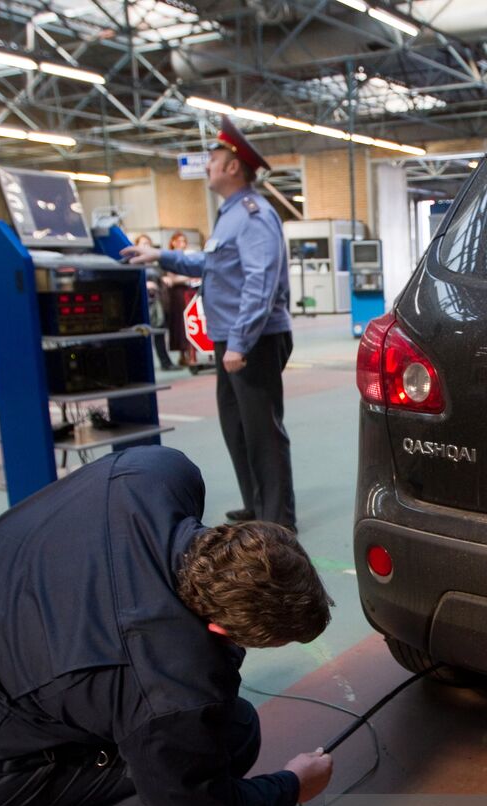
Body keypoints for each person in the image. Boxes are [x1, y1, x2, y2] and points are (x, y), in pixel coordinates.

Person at [0, 445, 333, 806]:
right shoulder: (168, 686)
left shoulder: (152, 472)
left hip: (3, 641)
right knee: (230, 742)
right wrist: (293, 785)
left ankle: (65, 804)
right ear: (218, 627)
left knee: (218, 724)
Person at [121, 118, 296, 531]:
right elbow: (212, 263)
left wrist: (239, 343)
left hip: (253, 340)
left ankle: (277, 520)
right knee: (237, 427)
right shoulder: (231, 215)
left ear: (234, 167)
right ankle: (256, 504)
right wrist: (159, 257)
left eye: (215, 157)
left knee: (263, 431)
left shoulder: (253, 215)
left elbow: (261, 280)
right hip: (230, 339)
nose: (208, 164)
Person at [134, 234, 179, 371]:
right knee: (143, 335)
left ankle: (165, 362)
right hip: (143, 303)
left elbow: (165, 277)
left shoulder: (156, 264)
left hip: (158, 302)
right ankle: (143, 366)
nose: (146, 246)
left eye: (148, 243)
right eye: (143, 243)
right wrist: (145, 284)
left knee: (160, 333)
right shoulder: (135, 263)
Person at [161, 231, 200, 368]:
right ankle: (184, 354)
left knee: (192, 323)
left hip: (190, 291)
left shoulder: (189, 255)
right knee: (180, 325)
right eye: (179, 241)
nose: (182, 244)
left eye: (184, 241)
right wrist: (189, 276)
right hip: (178, 294)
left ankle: (191, 353)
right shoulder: (171, 257)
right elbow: (172, 279)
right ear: (173, 242)